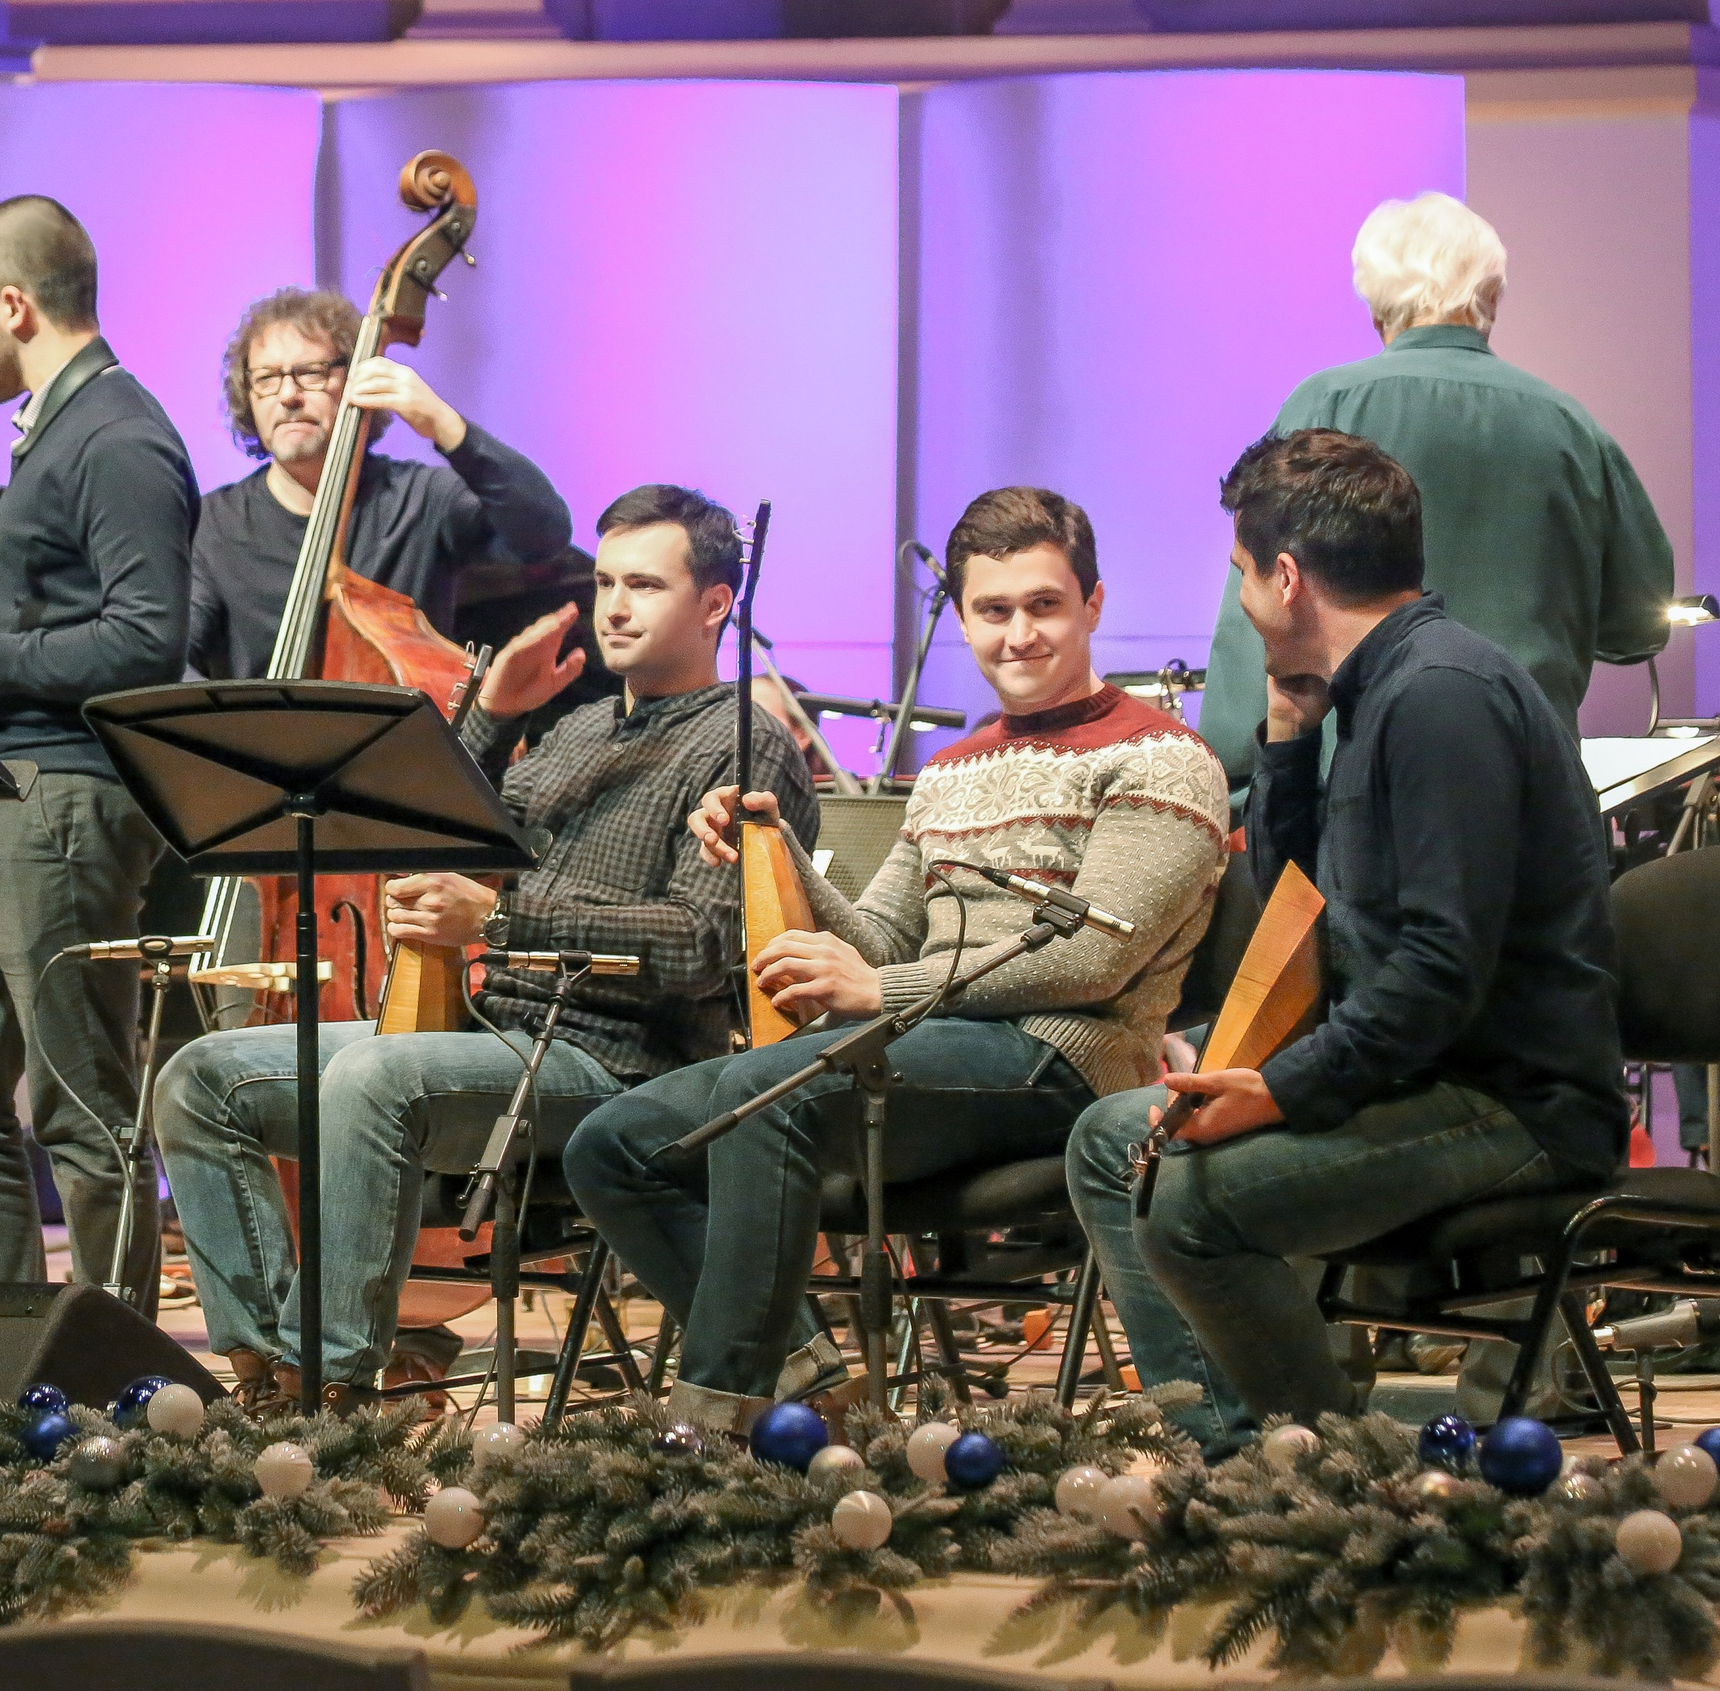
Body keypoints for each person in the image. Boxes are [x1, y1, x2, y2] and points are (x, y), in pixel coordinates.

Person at [565, 487, 1230, 1437]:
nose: (1019, 634)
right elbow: (876, 938)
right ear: (961, 617)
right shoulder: (954, 770)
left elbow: (1092, 959)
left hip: (1062, 1059)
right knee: (614, 1143)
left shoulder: (1162, 757)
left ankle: (712, 1432)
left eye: (1044, 605)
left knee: (772, 1098)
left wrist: (883, 990)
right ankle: (804, 1382)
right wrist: (779, 847)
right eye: (993, 611)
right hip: (925, 1047)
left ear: (1093, 603)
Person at [154, 484, 817, 1412]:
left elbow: (702, 945)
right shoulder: (576, 727)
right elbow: (439, 832)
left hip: (619, 1065)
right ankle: (270, 1369)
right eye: (604, 581)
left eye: (646, 586)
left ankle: (333, 1385)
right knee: (199, 1077)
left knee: (370, 1079)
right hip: (489, 1035)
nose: (615, 606)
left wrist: (501, 921)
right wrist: (492, 715)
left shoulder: (747, 744)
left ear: (715, 603)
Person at [1067, 430, 1628, 1454]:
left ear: (1286, 578)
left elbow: (1437, 972)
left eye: (1242, 574)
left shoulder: (1439, 699)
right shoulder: (1378, 693)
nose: (1241, 602)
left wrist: (1281, 1091)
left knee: (1188, 1203)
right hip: (1424, 1077)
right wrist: (1286, 742)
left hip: (1514, 1106)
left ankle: (1326, 1480)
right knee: (1111, 1142)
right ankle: (1227, 1443)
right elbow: (1307, 911)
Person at [0, 195, 197, 1301]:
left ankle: (114, 1369)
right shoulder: (71, 429)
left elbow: (150, 639)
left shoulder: (118, 434)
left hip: (62, 799)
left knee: (79, 1096)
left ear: (16, 304)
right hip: (5, 798)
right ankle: (5, 1340)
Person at [1199, 192, 1674, 793]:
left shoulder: (1326, 407)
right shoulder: (1570, 425)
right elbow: (1639, 624)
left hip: (1364, 783)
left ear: (1376, 308)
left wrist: (1238, 770)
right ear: (1492, 299)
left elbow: (1260, 609)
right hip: (1531, 781)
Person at [186, 286, 572, 681]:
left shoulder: (420, 500)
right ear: (247, 396)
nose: (288, 395)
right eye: (267, 378)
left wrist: (444, 425)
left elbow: (544, 534)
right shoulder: (214, 525)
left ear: (358, 379)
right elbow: (176, 656)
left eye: (311, 374)